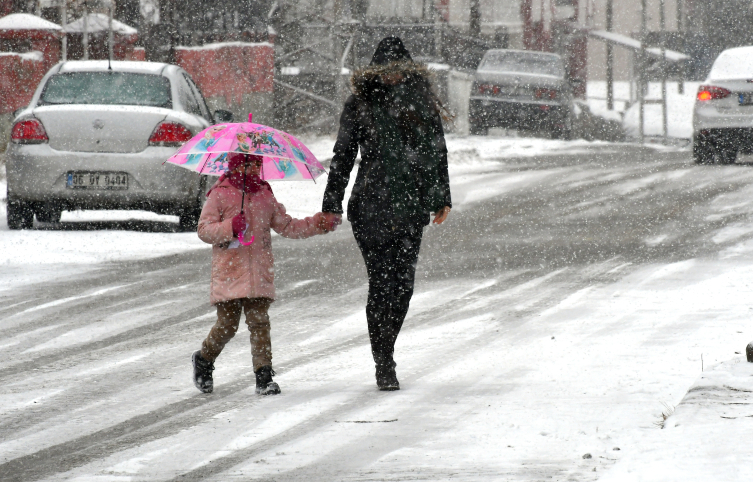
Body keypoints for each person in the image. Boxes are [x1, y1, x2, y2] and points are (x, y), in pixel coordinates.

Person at [321, 36, 452, 391]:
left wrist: (441, 198)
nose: (392, 76)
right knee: (381, 284)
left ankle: (386, 347)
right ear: (376, 72)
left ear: (407, 70)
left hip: (411, 207)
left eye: (398, 69)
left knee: (403, 287)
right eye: (386, 70)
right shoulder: (360, 104)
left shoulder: (422, 104)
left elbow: (435, 153)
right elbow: (343, 155)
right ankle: (384, 362)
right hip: (370, 206)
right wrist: (331, 202)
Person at [192, 152, 335, 395]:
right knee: (227, 326)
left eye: (258, 164)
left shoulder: (264, 195)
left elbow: (287, 226)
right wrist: (229, 227)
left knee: (259, 323)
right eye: (248, 164)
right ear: (236, 166)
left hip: (259, 271)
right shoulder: (219, 194)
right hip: (230, 272)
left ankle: (264, 376)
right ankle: (204, 358)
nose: (254, 169)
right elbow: (204, 230)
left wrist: (317, 223)